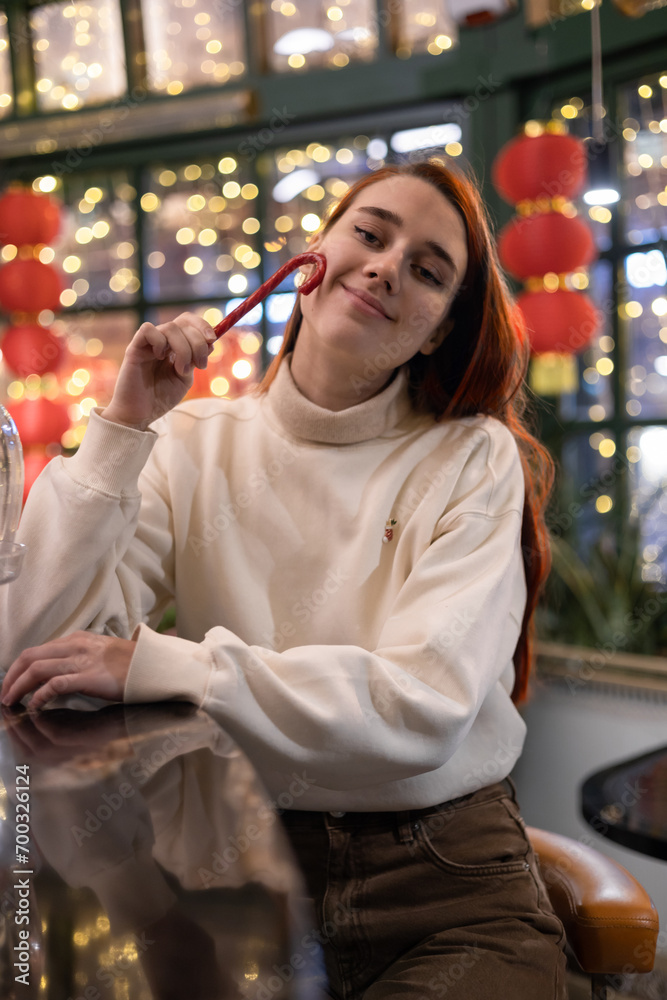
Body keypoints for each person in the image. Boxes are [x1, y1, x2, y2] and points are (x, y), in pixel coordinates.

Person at [0, 159, 566, 998]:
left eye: (426, 270)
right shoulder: (188, 439)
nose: (385, 266)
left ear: (439, 329)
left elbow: (424, 704)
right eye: (369, 236)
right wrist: (123, 428)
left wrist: (164, 665)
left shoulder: (470, 456)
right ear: (311, 262)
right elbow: (30, 649)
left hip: (446, 881)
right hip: (230, 863)